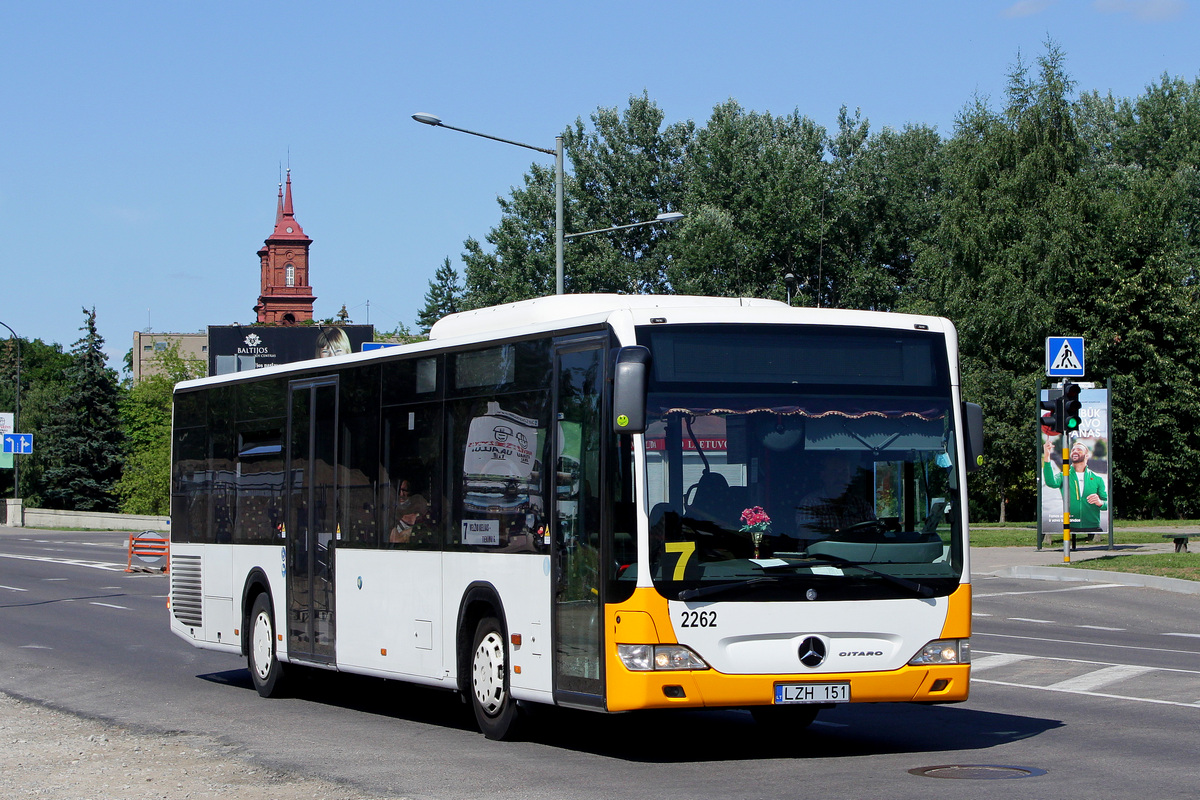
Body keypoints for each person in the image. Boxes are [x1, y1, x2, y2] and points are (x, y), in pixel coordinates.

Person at [794, 453, 877, 544]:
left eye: (844, 472)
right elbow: (807, 535)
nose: (840, 478)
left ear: (850, 477)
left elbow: (874, 535)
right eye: (834, 472)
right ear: (823, 475)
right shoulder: (810, 503)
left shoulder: (862, 506)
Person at [1042, 440, 1108, 531]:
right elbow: (1050, 482)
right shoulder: (1064, 476)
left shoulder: (1097, 479)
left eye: (1079, 450)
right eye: (1073, 450)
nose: (1075, 451)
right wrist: (1047, 455)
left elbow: (1107, 503)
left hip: (1093, 526)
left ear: (1087, 456)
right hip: (1071, 525)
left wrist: (1100, 502)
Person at [388, 479, 430, 545]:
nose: (401, 494)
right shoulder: (393, 516)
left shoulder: (422, 517)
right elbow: (394, 541)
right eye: (399, 491)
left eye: (405, 490)